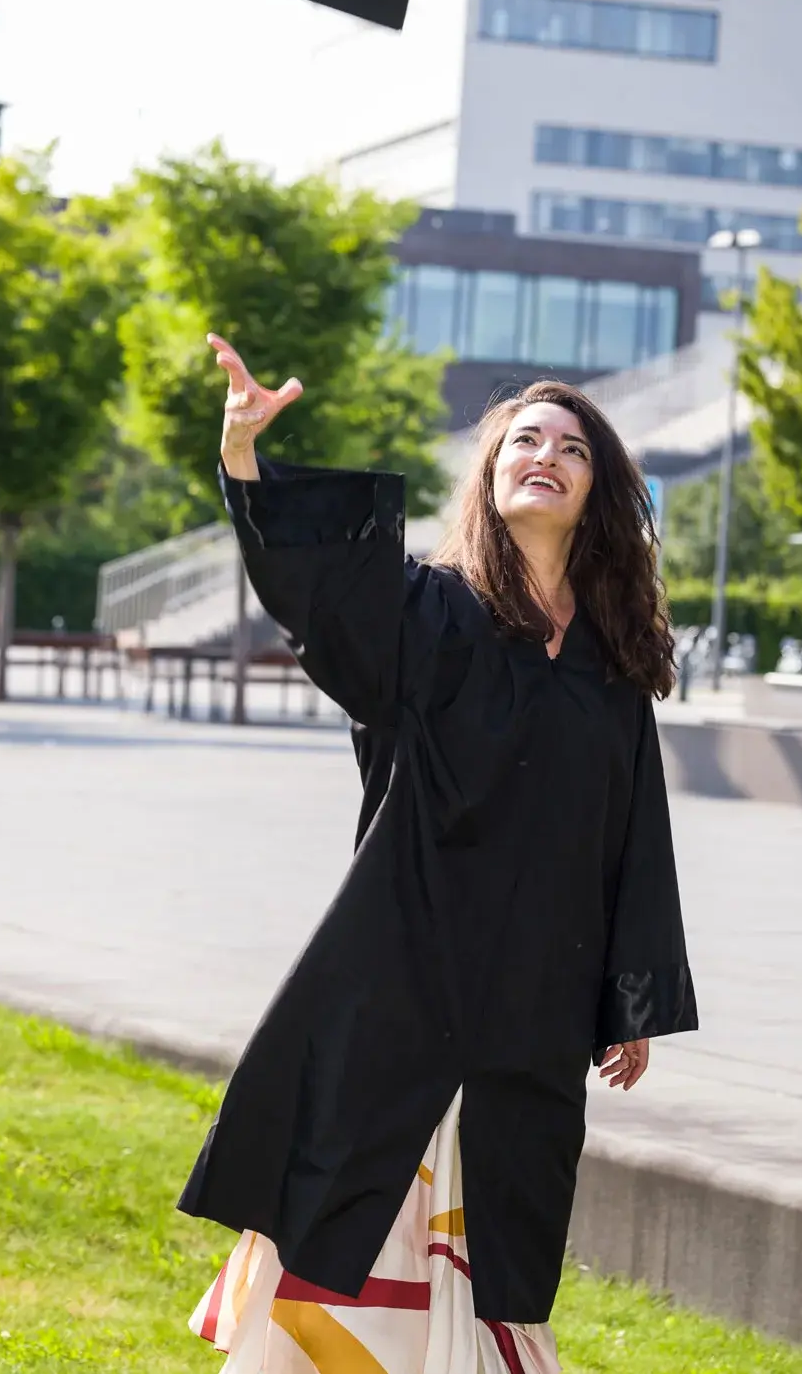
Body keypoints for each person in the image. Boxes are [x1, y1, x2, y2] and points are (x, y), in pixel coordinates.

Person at [179, 333, 697, 1374]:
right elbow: (323, 600)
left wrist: (628, 999)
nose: (543, 452)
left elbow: (632, 836)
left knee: (500, 1245)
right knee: (355, 1234)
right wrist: (243, 459)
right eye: (521, 440)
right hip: (401, 991)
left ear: (596, 489)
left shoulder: (612, 663)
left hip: (532, 1014)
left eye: (570, 445)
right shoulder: (431, 613)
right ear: (493, 473)